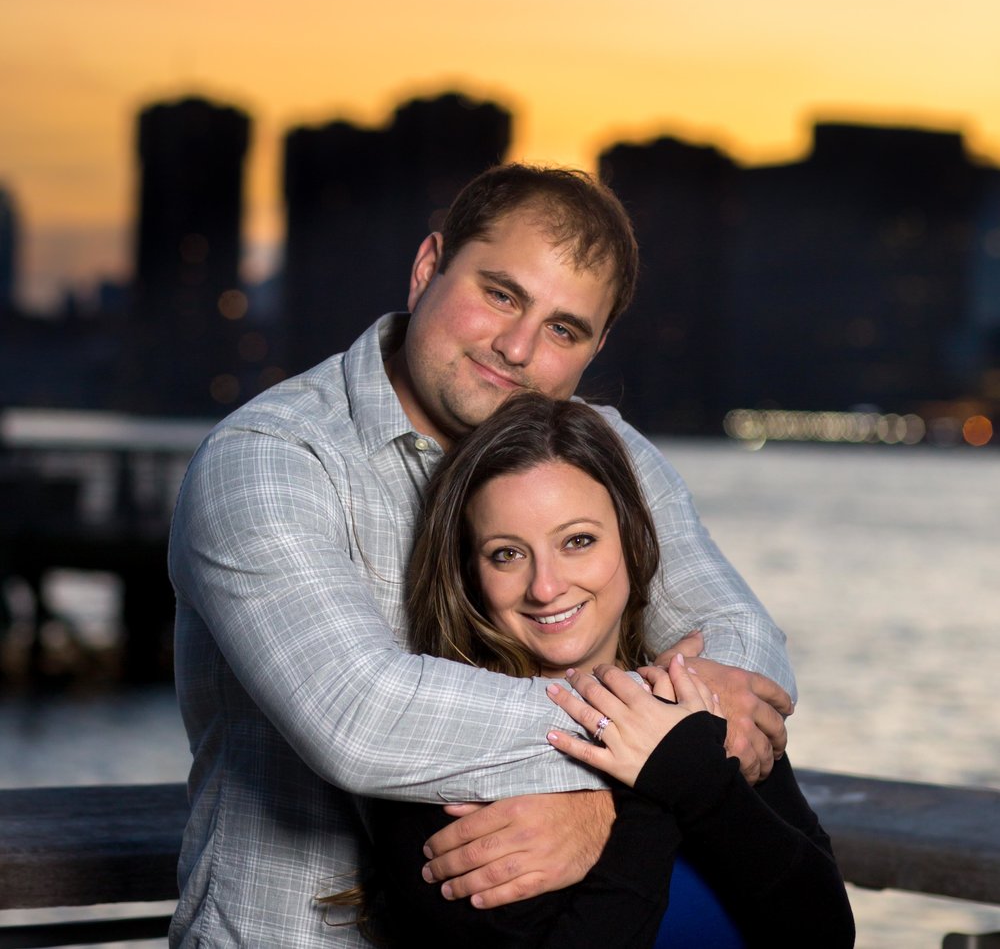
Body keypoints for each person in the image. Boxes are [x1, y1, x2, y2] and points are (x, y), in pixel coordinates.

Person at [168, 163, 797, 949]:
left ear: (595, 349)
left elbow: (749, 656)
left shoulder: (605, 455)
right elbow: (363, 718)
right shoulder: (269, 458)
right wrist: (658, 768)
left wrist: (611, 806)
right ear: (429, 267)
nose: (517, 346)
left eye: (564, 330)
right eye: (501, 294)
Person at [358, 390, 854, 948]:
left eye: (578, 541)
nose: (545, 587)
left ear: (634, 541)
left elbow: (825, 933)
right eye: (507, 553)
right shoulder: (443, 769)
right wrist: (659, 787)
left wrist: (679, 768)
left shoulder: (702, 706)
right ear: (469, 574)